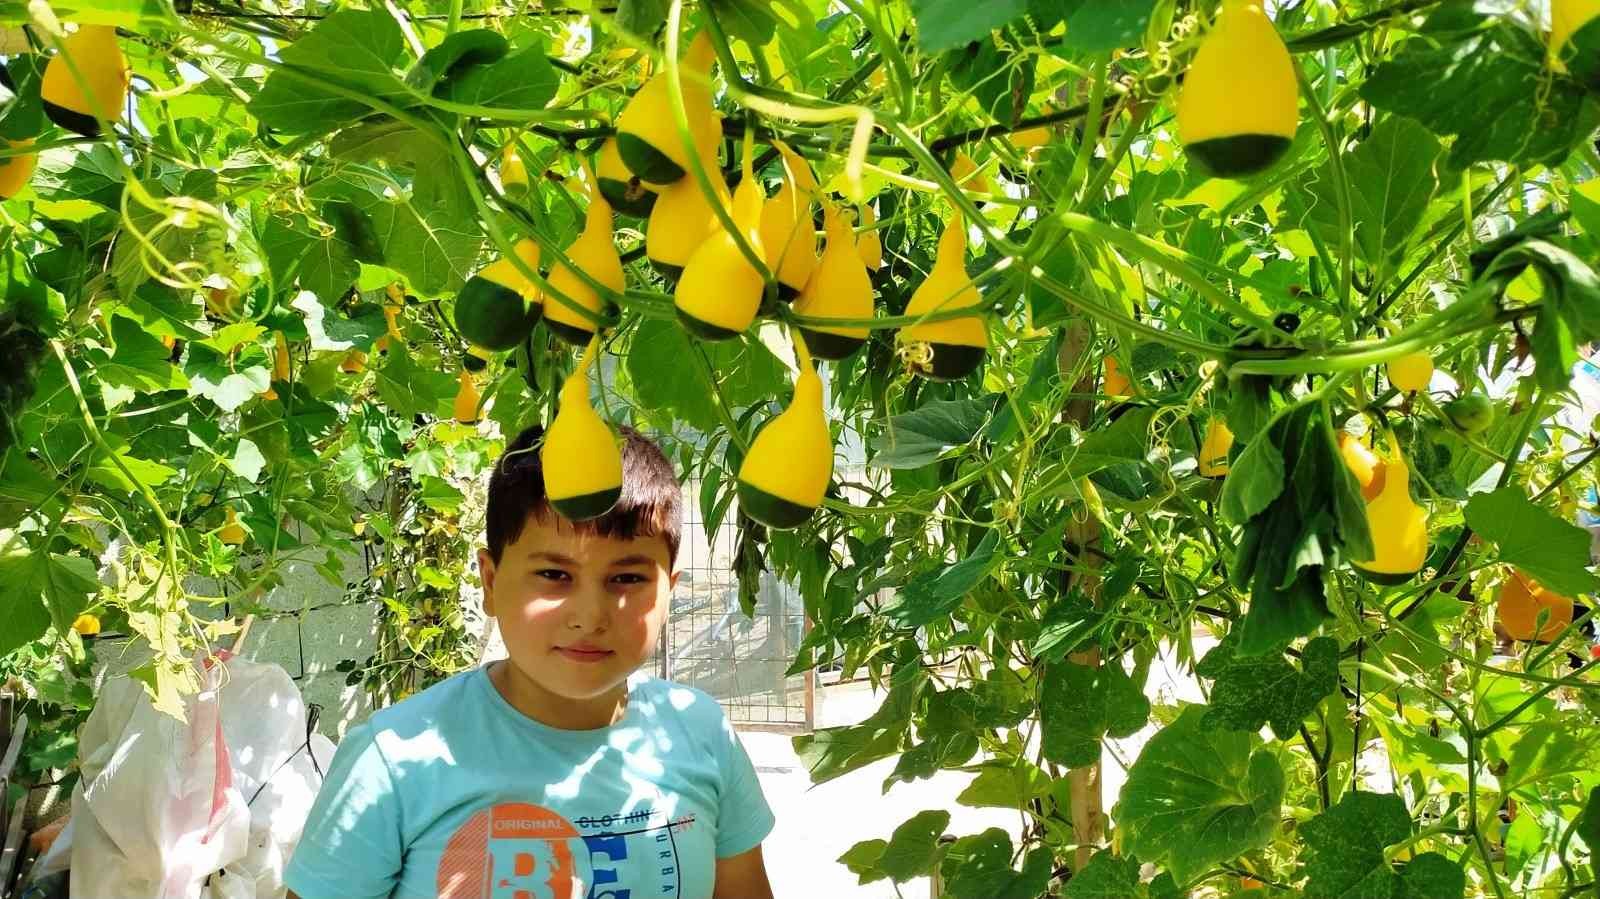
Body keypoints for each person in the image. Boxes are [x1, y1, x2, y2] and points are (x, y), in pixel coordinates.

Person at [284, 424, 776, 899]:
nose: (590, 616)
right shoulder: (390, 762)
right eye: (553, 574)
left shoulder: (701, 733)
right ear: (491, 582)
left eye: (627, 579)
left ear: (671, 587)